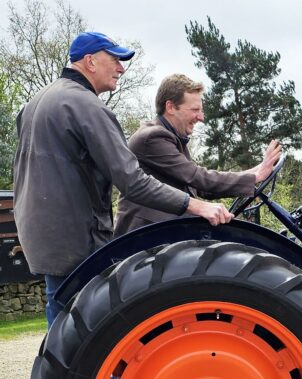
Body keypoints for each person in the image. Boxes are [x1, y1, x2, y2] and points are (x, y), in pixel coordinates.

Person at [13, 32, 233, 325]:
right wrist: (196, 206)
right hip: (77, 236)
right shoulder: (87, 106)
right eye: (115, 60)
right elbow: (132, 181)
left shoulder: (37, 102)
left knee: (60, 310)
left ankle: (58, 371)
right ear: (90, 62)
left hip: (40, 230)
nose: (121, 68)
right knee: (90, 327)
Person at [114, 74, 282, 235]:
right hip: (146, 240)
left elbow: (198, 187)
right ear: (170, 107)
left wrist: (256, 171)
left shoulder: (173, 137)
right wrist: (255, 176)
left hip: (167, 233)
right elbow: (198, 177)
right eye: (195, 110)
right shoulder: (153, 137)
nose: (201, 117)